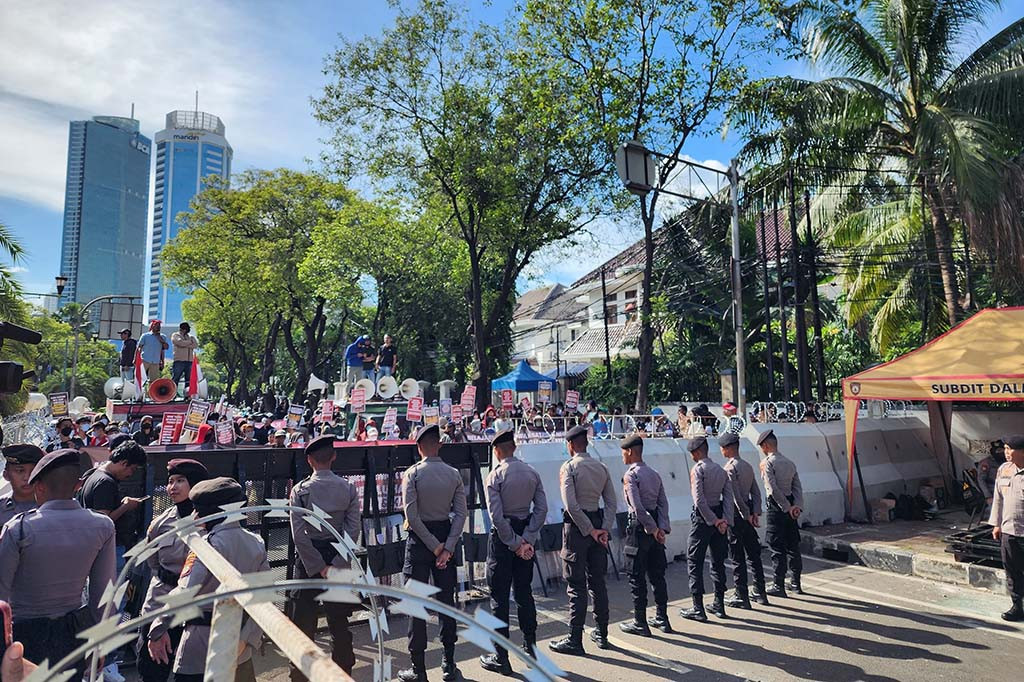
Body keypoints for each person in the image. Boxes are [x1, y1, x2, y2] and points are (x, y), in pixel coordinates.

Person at [0, 449, 115, 677]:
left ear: (39, 486)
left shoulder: (19, 529)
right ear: (79, 485)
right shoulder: (102, 526)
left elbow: (1, 594)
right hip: (72, 632)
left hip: (24, 635)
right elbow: (104, 593)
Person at [147, 477, 268, 681]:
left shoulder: (207, 546)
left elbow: (185, 592)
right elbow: (263, 598)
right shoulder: (256, 542)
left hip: (202, 645)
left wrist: (157, 628)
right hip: (239, 643)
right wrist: (247, 640)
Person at [398, 424, 467, 682]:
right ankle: (449, 664)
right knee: (447, 602)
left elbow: (412, 517)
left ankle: (419, 669)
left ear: (418, 447)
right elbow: (461, 514)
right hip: (445, 539)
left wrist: (434, 546)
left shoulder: (413, 474)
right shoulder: (453, 474)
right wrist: (446, 547)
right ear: (439, 444)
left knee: (415, 604)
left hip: (419, 543)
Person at [287, 436, 362, 677]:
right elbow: (352, 530)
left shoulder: (300, 491)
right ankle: (343, 672)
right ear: (334, 457)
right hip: (338, 555)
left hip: (308, 558)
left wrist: (318, 566)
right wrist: (336, 565)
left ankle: (300, 675)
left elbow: (298, 536)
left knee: (303, 623)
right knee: (339, 623)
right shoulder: (348, 488)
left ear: (309, 460)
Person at [136, 459, 210, 682]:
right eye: (170, 482)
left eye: (180, 481)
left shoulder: (210, 520)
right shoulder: (161, 522)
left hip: (195, 608)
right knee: (151, 669)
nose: (173, 487)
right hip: (161, 599)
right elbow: (153, 561)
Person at [480, 430, 547, 674]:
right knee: (524, 593)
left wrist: (514, 542)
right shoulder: (532, 473)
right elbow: (541, 509)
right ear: (514, 447)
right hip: (525, 534)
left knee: (499, 598)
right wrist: (526, 540)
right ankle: (531, 649)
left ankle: (502, 657)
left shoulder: (495, 476)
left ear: (497, 450)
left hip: (503, 540)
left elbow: (496, 517)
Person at [549, 425, 617, 655]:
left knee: (576, 585)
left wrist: (589, 529)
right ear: (585, 444)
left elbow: (571, 505)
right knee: (598, 582)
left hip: (578, 530)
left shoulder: (569, 468)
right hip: (598, 524)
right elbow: (611, 503)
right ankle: (602, 633)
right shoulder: (601, 467)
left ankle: (575, 638)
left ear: (570, 445)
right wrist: (603, 529)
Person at [617, 434, 672, 637]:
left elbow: (637, 507)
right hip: (655, 527)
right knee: (658, 575)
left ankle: (640, 621)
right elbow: (663, 503)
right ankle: (662, 617)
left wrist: (652, 528)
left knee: (636, 577)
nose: (622, 456)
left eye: (623, 452)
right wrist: (661, 528)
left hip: (640, 530)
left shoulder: (631, 475)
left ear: (630, 452)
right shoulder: (654, 473)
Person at [681, 436, 734, 622]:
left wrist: (713, 521)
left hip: (704, 520)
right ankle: (719, 603)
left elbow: (699, 501)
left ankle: (698, 608)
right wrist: (724, 521)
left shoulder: (698, 470)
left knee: (694, 561)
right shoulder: (721, 470)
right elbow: (728, 498)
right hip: (719, 515)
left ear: (696, 453)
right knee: (718, 562)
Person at [78, 440, 148, 572]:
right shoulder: (106, 483)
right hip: (108, 549)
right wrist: (126, 506)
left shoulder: (94, 474)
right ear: (124, 463)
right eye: (132, 469)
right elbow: (103, 520)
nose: (130, 474)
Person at [720, 432, 768, 608]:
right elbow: (755, 491)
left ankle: (741, 594)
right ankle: (760, 591)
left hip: (736, 516)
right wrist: (755, 512)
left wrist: (746, 514)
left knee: (737, 556)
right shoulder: (747, 466)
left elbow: (735, 497)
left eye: (723, 448)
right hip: (748, 514)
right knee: (754, 554)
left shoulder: (729, 468)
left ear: (728, 448)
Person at [757, 429, 804, 596]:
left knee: (777, 547)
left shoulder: (768, 463)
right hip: (791, 506)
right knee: (793, 546)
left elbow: (772, 488)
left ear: (766, 445)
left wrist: (785, 507)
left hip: (777, 508)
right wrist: (796, 506)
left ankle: (778, 585)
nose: (762, 449)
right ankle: (796, 583)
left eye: (762, 446)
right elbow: (797, 487)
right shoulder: (789, 462)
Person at [990, 434, 1024, 621]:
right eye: (1005, 449)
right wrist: (996, 524)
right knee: (1012, 571)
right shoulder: (1004, 470)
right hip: (1009, 531)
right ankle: (1017, 606)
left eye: (1010, 449)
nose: (1007, 453)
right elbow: (998, 499)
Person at [0, 445, 43, 528]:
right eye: (20, 471)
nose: (27, 477)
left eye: (33, 471)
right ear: (6, 475)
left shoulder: (50, 508)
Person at [171, 322, 199, 388]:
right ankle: (172, 395)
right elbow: (180, 343)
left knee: (189, 380)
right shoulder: (175, 335)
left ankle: (187, 395)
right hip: (179, 361)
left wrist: (185, 344)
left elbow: (195, 345)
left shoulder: (190, 337)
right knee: (176, 378)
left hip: (189, 361)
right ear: (184, 329)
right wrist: (189, 343)